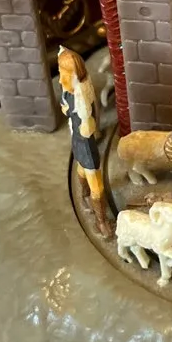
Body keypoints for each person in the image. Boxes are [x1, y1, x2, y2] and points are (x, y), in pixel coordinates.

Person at [57, 46, 111, 236]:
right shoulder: (68, 92)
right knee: (93, 181)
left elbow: (88, 125)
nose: (61, 78)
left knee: (87, 172)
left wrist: (87, 124)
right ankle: (99, 218)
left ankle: (87, 199)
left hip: (85, 142)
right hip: (79, 141)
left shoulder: (83, 94)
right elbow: (66, 109)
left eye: (64, 73)